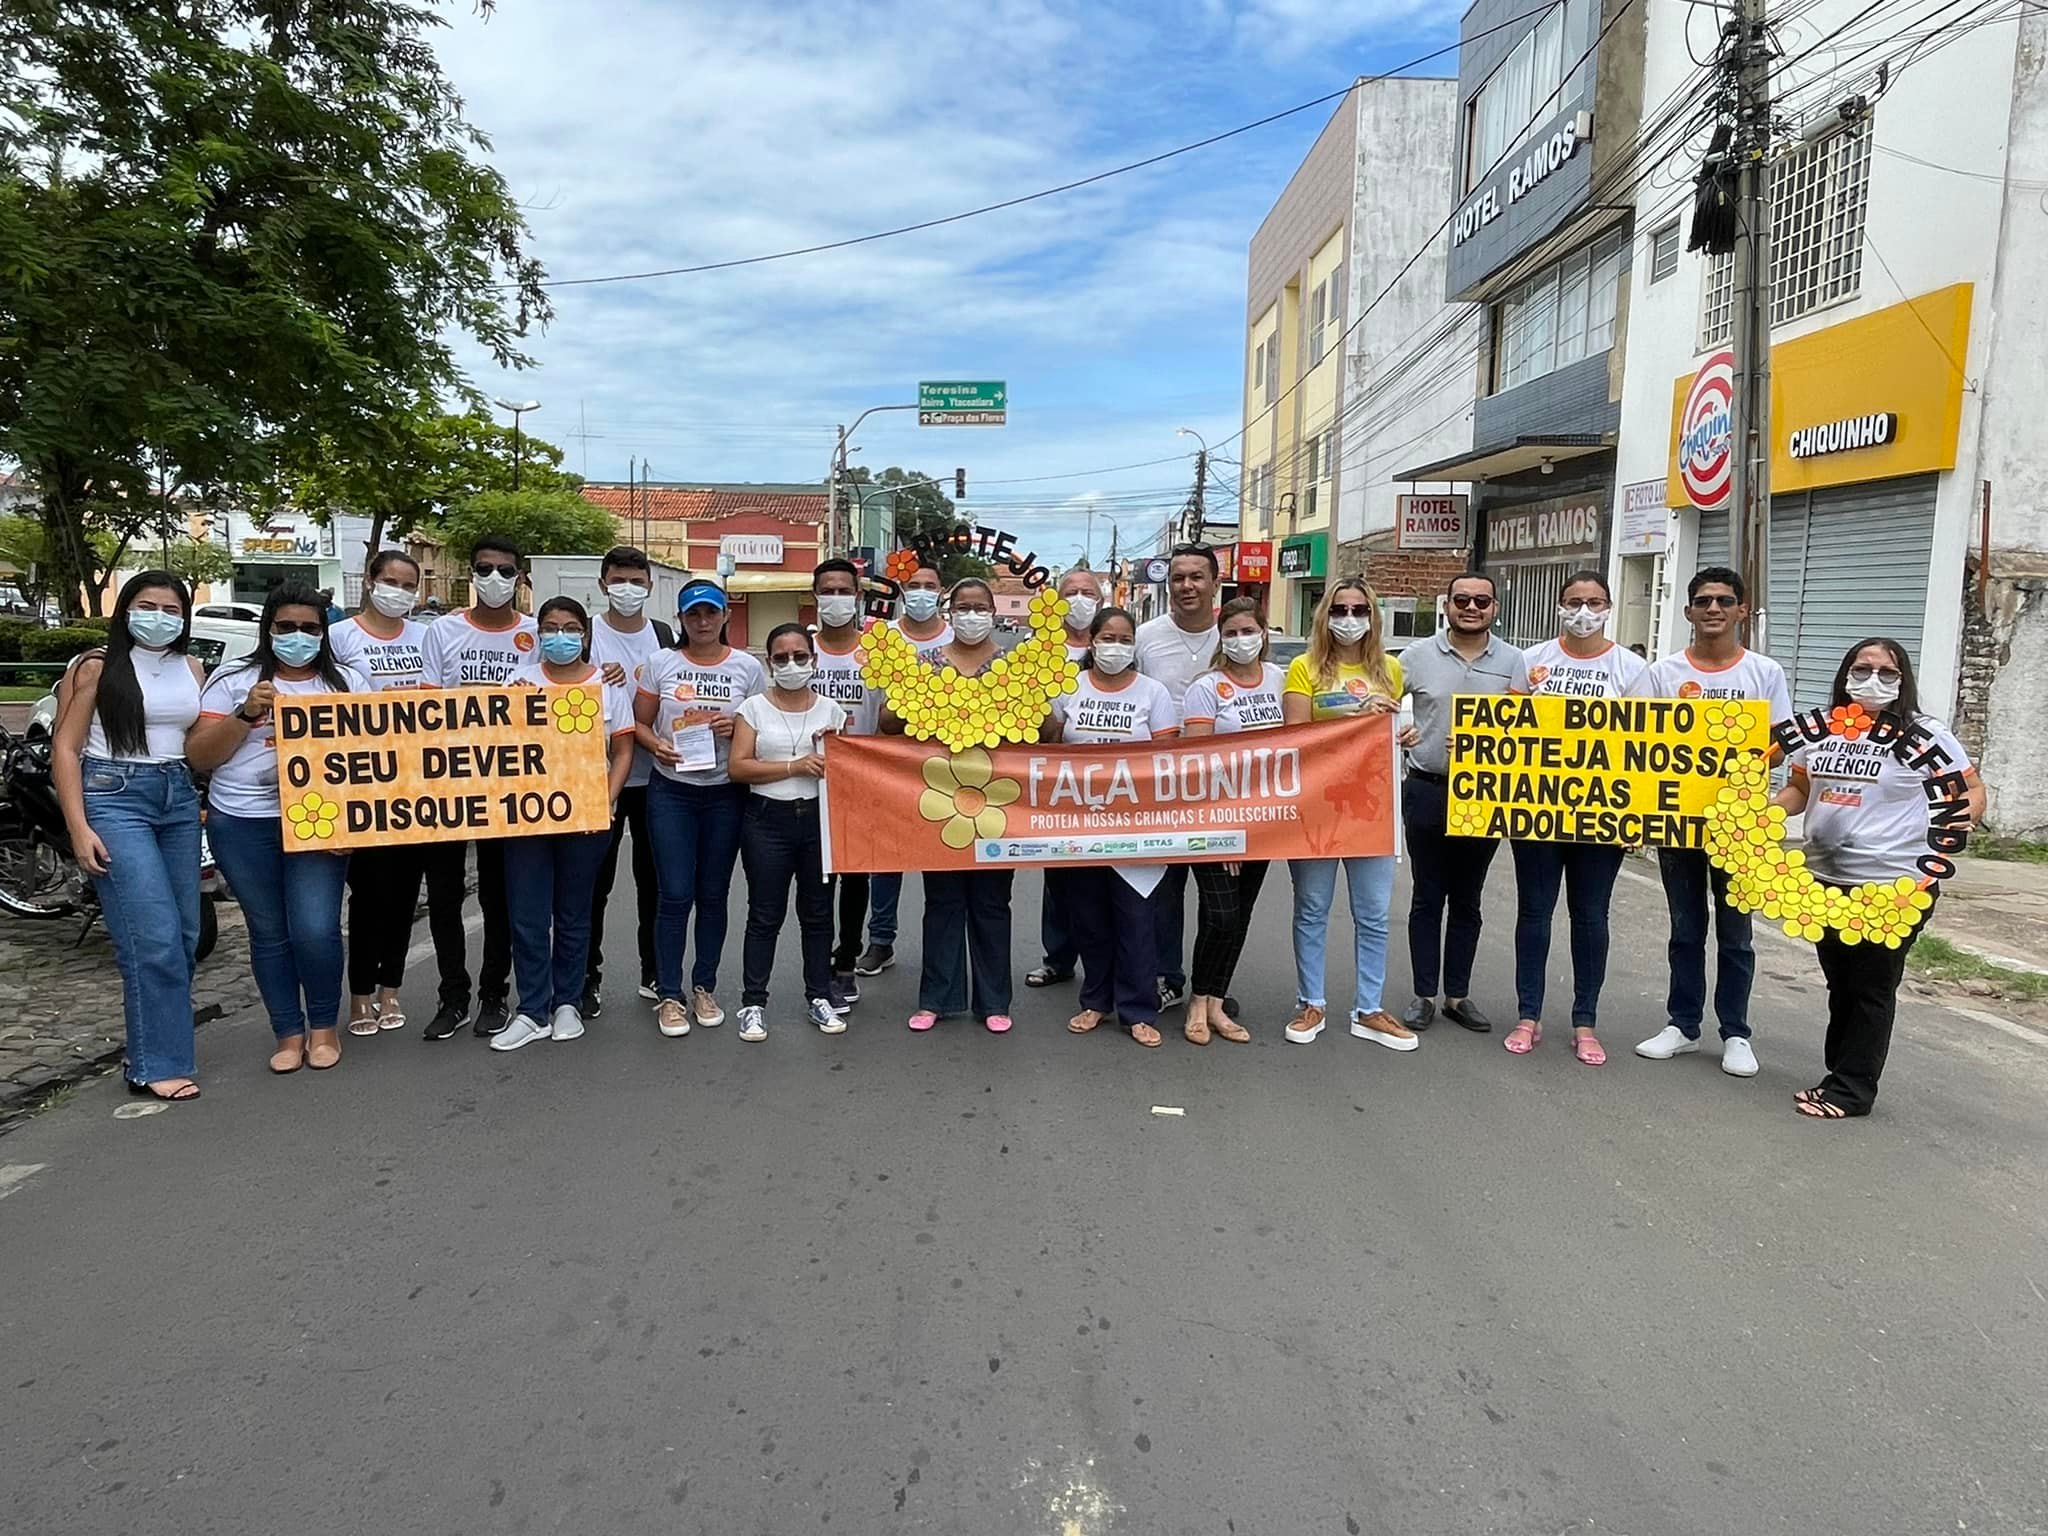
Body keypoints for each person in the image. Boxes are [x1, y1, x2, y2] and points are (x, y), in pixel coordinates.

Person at [1774, 639, 1984, 1118]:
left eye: (1887, 672)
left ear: (1903, 680)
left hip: (1894, 886)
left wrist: (1953, 827)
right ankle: (1837, 1077)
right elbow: (1801, 788)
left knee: (1872, 986)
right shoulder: (1824, 731)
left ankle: (1852, 1090)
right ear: (1844, 673)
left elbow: (1970, 788)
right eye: (1862, 668)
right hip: (1824, 882)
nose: (1873, 679)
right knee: (1841, 982)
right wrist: (1762, 814)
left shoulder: (1923, 735)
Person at [188, 585, 364, 1074]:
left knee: (315, 928)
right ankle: (288, 1032)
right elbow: (200, 755)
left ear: (323, 633)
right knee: (268, 932)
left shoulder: (347, 682)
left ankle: (324, 1027)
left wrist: (354, 822)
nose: (298, 636)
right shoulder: (233, 679)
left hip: (320, 824)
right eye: (286, 627)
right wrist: (246, 713)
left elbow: (373, 759)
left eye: (310, 628)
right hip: (242, 822)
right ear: (268, 629)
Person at [51, 571, 206, 1102]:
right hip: (114, 795)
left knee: (185, 935)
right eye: (147, 605)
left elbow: (194, 738)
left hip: (177, 796)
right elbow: (65, 749)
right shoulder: (98, 666)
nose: (159, 617)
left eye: (171, 609)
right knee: (153, 937)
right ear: (125, 609)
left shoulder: (191, 666)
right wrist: (79, 828)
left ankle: (149, 1045)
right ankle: (155, 1063)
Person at [1635, 566, 1793, 1077]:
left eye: (1725, 601)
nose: (1714, 609)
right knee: (1685, 928)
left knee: (1736, 933)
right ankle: (1682, 1025)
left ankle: (1736, 1033)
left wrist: (1744, 761)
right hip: (1678, 820)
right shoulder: (1662, 673)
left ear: (1742, 611)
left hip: (1740, 823)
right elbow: (1636, 743)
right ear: (1688, 612)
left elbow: (1780, 745)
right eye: (1703, 601)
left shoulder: (1764, 673)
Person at [1505, 571, 1649, 1066]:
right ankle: (1528, 1015)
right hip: (1537, 810)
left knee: (1591, 918)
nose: (1584, 611)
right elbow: (1505, 729)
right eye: (1574, 602)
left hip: (1602, 817)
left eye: (1594, 602)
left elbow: (1647, 748)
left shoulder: (1632, 668)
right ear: (1559, 607)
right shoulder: (1533, 661)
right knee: (1534, 914)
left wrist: (1637, 819)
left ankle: (1584, 1021)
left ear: (1609, 607)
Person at [490, 598, 638, 1051]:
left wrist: (604, 802)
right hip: (528, 822)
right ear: (538, 633)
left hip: (587, 820)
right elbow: (495, 749)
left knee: (575, 914)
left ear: (585, 636)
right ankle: (532, 1009)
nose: (560, 636)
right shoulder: (520, 683)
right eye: (551, 627)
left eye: (571, 628)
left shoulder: (607, 686)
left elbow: (624, 751)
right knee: (528, 916)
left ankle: (568, 1003)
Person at [1281, 580, 1414, 1051]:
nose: (1350, 617)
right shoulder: (1304, 668)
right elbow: (1294, 739)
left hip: (1372, 807)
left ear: (1373, 617)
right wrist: (1356, 717)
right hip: (1318, 808)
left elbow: (1391, 729)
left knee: (1374, 914)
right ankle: (1311, 1002)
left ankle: (1369, 1008)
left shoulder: (1390, 669)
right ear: (1325, 614)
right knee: (1312, 909)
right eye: (1340, 608)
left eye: (1360, 609)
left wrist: (1400, 733)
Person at [1399, 570, 1529, 1033]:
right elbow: (1382, 708)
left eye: (1481, 601)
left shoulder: (1516, 662)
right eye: (1461, 600)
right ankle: (1424, 994)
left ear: (1495, 608)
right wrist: (1396, 733)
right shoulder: (1415, 657)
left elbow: (1530, 729)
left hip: (1485, 796)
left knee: (1468, 899)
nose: (1471, 608)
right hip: (1427, 787)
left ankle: (1458, 994)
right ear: (1447, 605)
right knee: (1426, 895)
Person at [635, 578, 766, 1038]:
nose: (703, 622)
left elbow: (761, 728)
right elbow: (640, 723)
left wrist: (737, 727)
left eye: (711, 613)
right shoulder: (660, 663)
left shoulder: (748, 668)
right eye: (694, 615)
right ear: (681, 620)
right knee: (674, 894)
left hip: (725, 793)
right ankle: (668, 993)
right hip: (671, 791)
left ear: (725, 616)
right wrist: (658, 746)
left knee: (712, 895)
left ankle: (703, 986)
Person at [419, 535, 537, 1039]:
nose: (495, 579)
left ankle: (495, 993)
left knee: (499, 896)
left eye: (505, 571)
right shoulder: (442, 632)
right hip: (448, 783)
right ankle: (452, 995)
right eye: (485, 569)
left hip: (511, 785)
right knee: (444, 896)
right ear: (471, 574)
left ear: (520, 578)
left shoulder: (538, 634)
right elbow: (425, 708)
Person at [893, 578, 1023, 1034]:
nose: (971, 615)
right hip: (940, 799)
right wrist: (914, 698)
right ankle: (937, 998)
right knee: (943, 901)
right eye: (963, 607)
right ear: (949, 613)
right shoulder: (925, 663)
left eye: (980, 607)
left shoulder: (1014, 665)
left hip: (998, 799)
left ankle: (994, 1001)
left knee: (991, 902)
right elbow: (891, 723)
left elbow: (1044, 729)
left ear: (992, 612)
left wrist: (1028, 699)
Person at [1047, 607, 1180, 1048]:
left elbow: (1167, 757)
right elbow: (1047, 746)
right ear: (1092, 642)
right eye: (1108, 638)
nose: (1116, 647)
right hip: (1079, 825)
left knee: (1136, 920)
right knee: (1088, 919)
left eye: (1125, 640)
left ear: (1134, 646)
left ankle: (1139, 1009)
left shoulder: (1153, 692)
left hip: (1137, 827)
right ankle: (1096, 1001)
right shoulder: (1069, 686)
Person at [728, 623, 850, 1041]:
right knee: (765, 914)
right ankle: (753, 1002)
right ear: (769, 663)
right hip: (767, 820)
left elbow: (848, 769)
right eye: (781, 657)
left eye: (800, 656)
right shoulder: (753, 709)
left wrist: (832, 749)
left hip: (817, 820)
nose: (792, 664)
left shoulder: (832, 710)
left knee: (817, 914)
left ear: (814, 660)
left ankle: (819, 994)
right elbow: (738, 767)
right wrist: (794, 766)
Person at [330, 550, 430, 1038]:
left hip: (419, 783)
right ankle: (360, 995)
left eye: (408, 585)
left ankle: (392, 987)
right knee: (369, 893)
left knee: (405, 892)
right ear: (369, 581)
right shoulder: (339, 637)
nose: (398, 591)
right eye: (390, 580)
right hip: (362, 784)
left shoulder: (424, 636)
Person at [1178, 597, 1285, 1045]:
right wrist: (1222, 834)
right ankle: (1198, 1001)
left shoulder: (1281, 680)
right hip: (1216, 821)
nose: (1242, 640)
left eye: (1249, 631)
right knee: (1220, 915)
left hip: (1265, 820)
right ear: (1221, 638)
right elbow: (1197, 763)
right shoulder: (1207, 687)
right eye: (1232, 633)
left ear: (1264, 633)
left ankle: (1218, 1002)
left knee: (1239, 915)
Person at [585, 545, 675, 1017]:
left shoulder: (663, 635)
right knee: (593, 884)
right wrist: (594, 678)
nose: (628, 590)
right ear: (603, 584)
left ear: (649, 587)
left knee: (654, 881)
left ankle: (656, 972)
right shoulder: (585, 636)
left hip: (656, 777)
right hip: (597, 780)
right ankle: (587, 977)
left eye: (637, 582)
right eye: (619, 581)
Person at [1135, 542, 1221, 1014]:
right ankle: (1166, 977)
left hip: (1223, 787)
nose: (1187, 586)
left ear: (1214, 582)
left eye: (1196, 577)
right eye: (1178, 577)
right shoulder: (1147, 637)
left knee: (1220, 896)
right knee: (1163, 889)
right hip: (1161, 785)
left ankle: (1213, 984)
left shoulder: (1234, 635)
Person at [854, 561, 950, 978]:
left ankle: (942, 946)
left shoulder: (954, 637)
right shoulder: (884, 638)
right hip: (892, 759)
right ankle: (880, 940)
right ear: (902, 591)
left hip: (947, 764)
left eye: (930, 586)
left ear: (941, 593)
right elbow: (872, 698)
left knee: (941, 857)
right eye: (915, 585)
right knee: (885, 857)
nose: (922, 593)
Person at [1025, 567, 1106, 990]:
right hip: (1056, 775)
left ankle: (1105, 960)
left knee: (1110, 873)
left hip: (1115, 779)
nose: (1079, 599)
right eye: (1071, 592)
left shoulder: (1118, 643)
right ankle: (1057, 957)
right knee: (1059, 871)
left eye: (1088, 592)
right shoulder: (1038, 649)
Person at [809, 559, 879, 1012]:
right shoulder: (800, 649)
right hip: (808, 781)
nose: (836, 598)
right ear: (814, 595)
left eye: (843, 590)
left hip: (865, 781)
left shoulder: (878, 652)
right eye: (827, 590)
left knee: (855, 877)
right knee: (818, 882)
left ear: (858, 596)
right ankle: (817, 969)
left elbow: (895, 716)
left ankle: (846, 961)